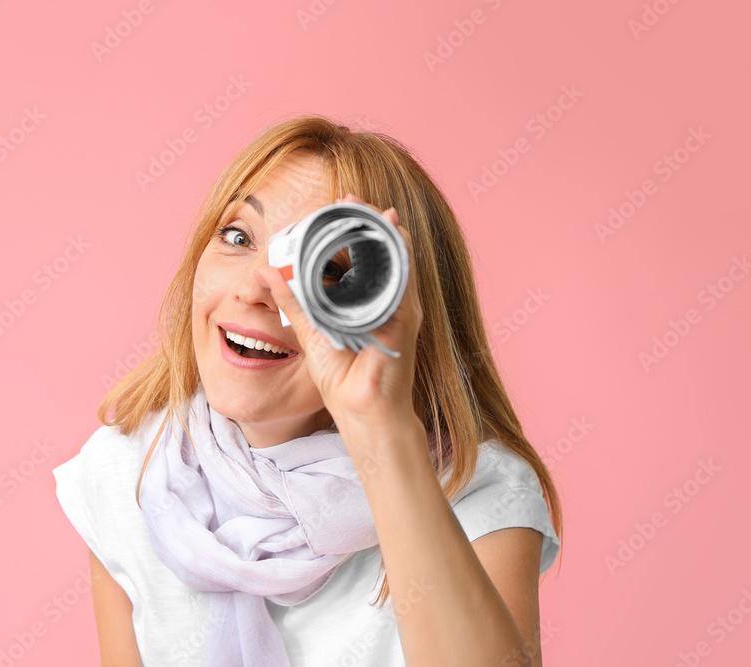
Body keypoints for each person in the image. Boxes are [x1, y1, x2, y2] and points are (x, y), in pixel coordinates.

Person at [53, 114, 563, 666]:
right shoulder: (130, 471)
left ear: (389, 308)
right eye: (239, 236)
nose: (256, 289)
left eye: (326, 270)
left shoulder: (478, 491)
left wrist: (379, 430)